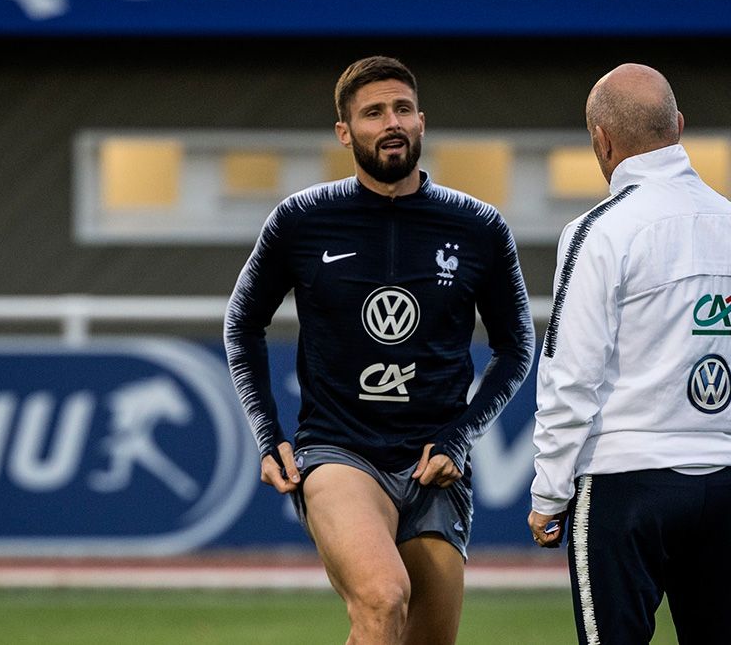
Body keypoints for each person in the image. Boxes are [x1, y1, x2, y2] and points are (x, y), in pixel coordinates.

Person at [225, 55, 534, 643]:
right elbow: (242, 324)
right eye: (372, 113)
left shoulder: (479, 226)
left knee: (423, 635)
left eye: (402, 108)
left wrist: (460, 436)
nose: (390, 122)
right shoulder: (299, 219)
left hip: (433, 465)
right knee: (381, 598)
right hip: (339, 451)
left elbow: (517, 347)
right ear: (345, 132)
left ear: (421, 121)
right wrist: (269, 437)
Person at [529, 63, 731, 644]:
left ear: (602, 140)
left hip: (627, 483)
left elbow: (572, 375)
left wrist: (549, 492)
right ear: (680, 126)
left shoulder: (601, 229)